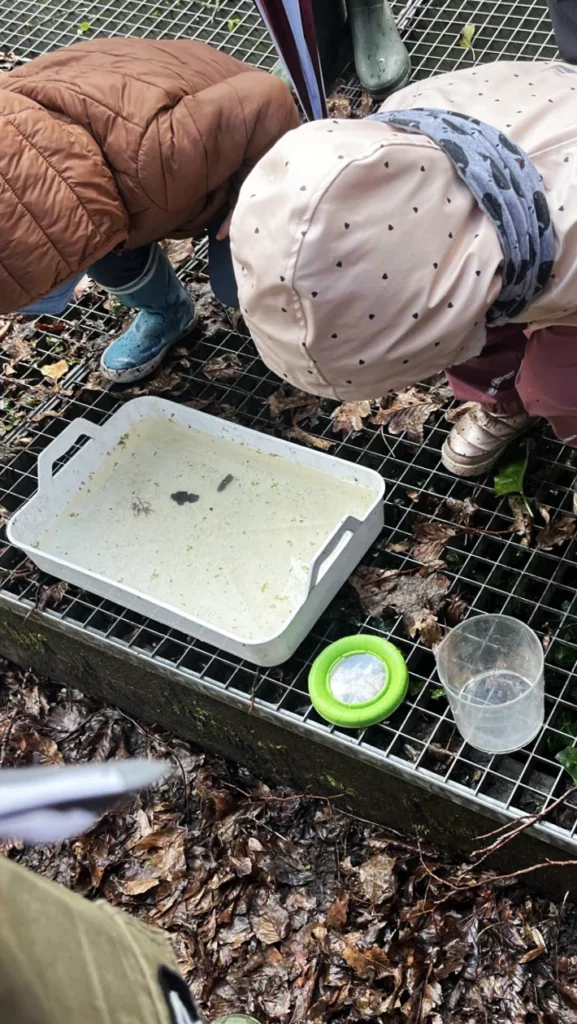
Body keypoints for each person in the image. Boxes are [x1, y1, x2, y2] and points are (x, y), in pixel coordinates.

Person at [230, 58, 577, 477]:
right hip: (510, 242)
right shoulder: (389, 152)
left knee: (558, 386)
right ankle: (500, 399)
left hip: (559, 246)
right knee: (475, 339)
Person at [0, 37, 298, 383]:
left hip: (227, 144)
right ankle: (169, 312)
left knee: (243, 288)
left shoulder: (157, 152)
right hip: (121, 178)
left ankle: (307, 328)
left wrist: (252, 195)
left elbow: (269, 98)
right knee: (111, 259)